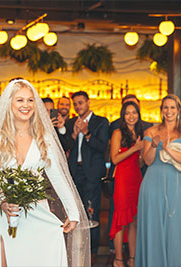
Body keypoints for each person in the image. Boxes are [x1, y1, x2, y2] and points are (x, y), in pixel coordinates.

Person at [0, 79, 90, 266]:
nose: (25, 105)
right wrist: (2, 199)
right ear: (8, 103)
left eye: (30, 100)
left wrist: (72, 212)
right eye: (20, 100)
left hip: (35, 212)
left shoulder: (43, 136)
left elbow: (57, 176)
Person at [135, 94, 181, 266]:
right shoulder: (150, 132)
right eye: (165, 107)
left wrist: (167, 149)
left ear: (178, 111)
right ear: (161, 111)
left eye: (172, 107)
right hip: (153, 183)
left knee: (176, 228)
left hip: (177, 184)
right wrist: (154, 145)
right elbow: (147, 160)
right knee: (153, 227)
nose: (169, 111)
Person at [65, 91, 110, 262]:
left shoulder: (101, 122)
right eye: (75, 104)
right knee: (75, 212)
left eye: (80, 103)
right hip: (75, 173)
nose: (78, 107)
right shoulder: (71, 123)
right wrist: (75, 135)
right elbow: (67, 147)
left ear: (88, 103)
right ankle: (77, 251)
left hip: (92, 173)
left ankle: (92, 253)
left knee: (91, 213)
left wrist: (87, 133)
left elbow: (102, 146)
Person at [109, 102, 143, 267]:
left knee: (134, 220)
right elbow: (115, 159)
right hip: (122, 179)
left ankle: (132, 258)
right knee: (121, 220)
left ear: (138, 114)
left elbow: (141, 162)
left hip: (136, 178)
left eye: (134, 113)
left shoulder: (140, 133)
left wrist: (142, 152)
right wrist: (135, 148)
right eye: (128, 113)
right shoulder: (117, 133)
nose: (131, 116)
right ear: (123, 116)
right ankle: (119, 259)